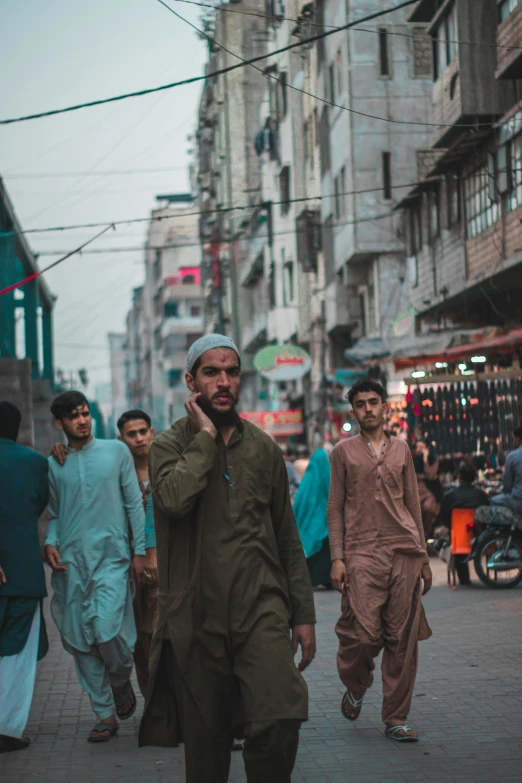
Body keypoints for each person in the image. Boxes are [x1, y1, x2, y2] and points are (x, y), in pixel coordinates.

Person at [139, 334, 316, 783]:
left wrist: (303, 613)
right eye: (211, 372)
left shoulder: (263, 448)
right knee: (207, 746)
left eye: (232, 372)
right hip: (196, 616)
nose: (223, 382)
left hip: (261, 608)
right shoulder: (168, 446)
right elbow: (175, 499)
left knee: (281, 713)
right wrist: (204, 438)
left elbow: (286, 536)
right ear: (190, 381)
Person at [328, 379, 432, 742]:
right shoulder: (342, 452)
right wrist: (337, 558)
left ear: (384, 407)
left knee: (402, 638)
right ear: (353, 411)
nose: (368, 408)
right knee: (362, 634)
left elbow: (413, 503)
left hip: (404, 549)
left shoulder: (402, 449)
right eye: (361, 404)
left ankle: (396, 718)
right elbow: (334, 507)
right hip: (361, 552)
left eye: (374, 402)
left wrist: (423, 556)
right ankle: (357, 685)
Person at [44, 392, 146, 743]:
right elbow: (56, 514)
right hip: (71, 565)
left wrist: (140, 552)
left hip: (112, 559)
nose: (83, 420)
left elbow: (134, 503)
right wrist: (49, 543)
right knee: (81, 642)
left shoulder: (116, 452)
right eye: (74, 416)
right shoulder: (55, 463)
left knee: (106, 630)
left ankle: (119, 680)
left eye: (85, 413)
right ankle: (104, 715)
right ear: (60, 424)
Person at [0, 402, 49, 754]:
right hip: (22, 571)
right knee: (16, 653)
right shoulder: (34, 462)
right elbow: (38, 505)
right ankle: (7, 729)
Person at [439, 463, 489, 585]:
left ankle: (464, 579)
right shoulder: (481, 495)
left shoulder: (449, 495)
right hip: (480, 534)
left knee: (455, 533)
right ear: (474, 477)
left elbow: (445, 519)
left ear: (459, 476)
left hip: (459, 538)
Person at [293, 448, 332, 588]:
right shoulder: (328, 477)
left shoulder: (308, 479)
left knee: (315, 556)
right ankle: (327, 579)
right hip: (326, 526)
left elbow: (299, 503)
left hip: (311, 526)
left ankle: (315, 579)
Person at [413, 440, 442, 539]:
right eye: (417, 447)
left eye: (421, 447)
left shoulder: (433, 460)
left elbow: (430, 474)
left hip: (430, 493)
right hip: (416, 493)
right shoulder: (412, 460)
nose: (419, 450)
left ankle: (427, 535)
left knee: (428, 509)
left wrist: (425, 459)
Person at [490, 427, 522, 513]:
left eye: (513, 439)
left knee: (493, 500)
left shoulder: (512, 456)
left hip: (518, 501)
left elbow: (507, 486)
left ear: (518, 439)